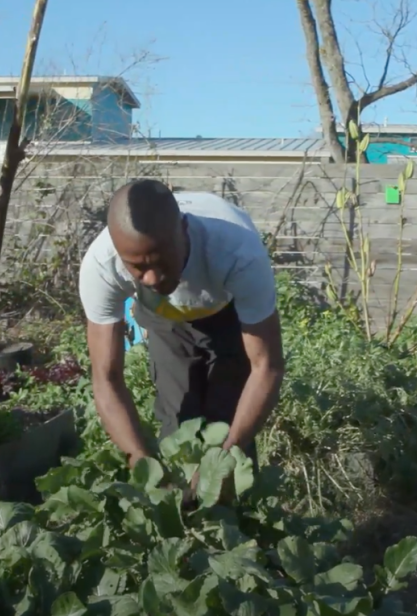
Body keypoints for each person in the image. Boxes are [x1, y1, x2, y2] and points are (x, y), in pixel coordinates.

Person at [77, 179, 286, 469]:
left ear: (184, 233)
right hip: (164, 316)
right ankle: (181, 505)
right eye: (137, 267)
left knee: (230, 417)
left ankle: (237, 507)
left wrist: (223, 464)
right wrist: (141, 461)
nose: (150, 278)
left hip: (228, 313)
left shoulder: (237, 252)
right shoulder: (102, 264)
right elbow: (106, 378)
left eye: (161, 261)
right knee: (177, 422)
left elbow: (268, 366)